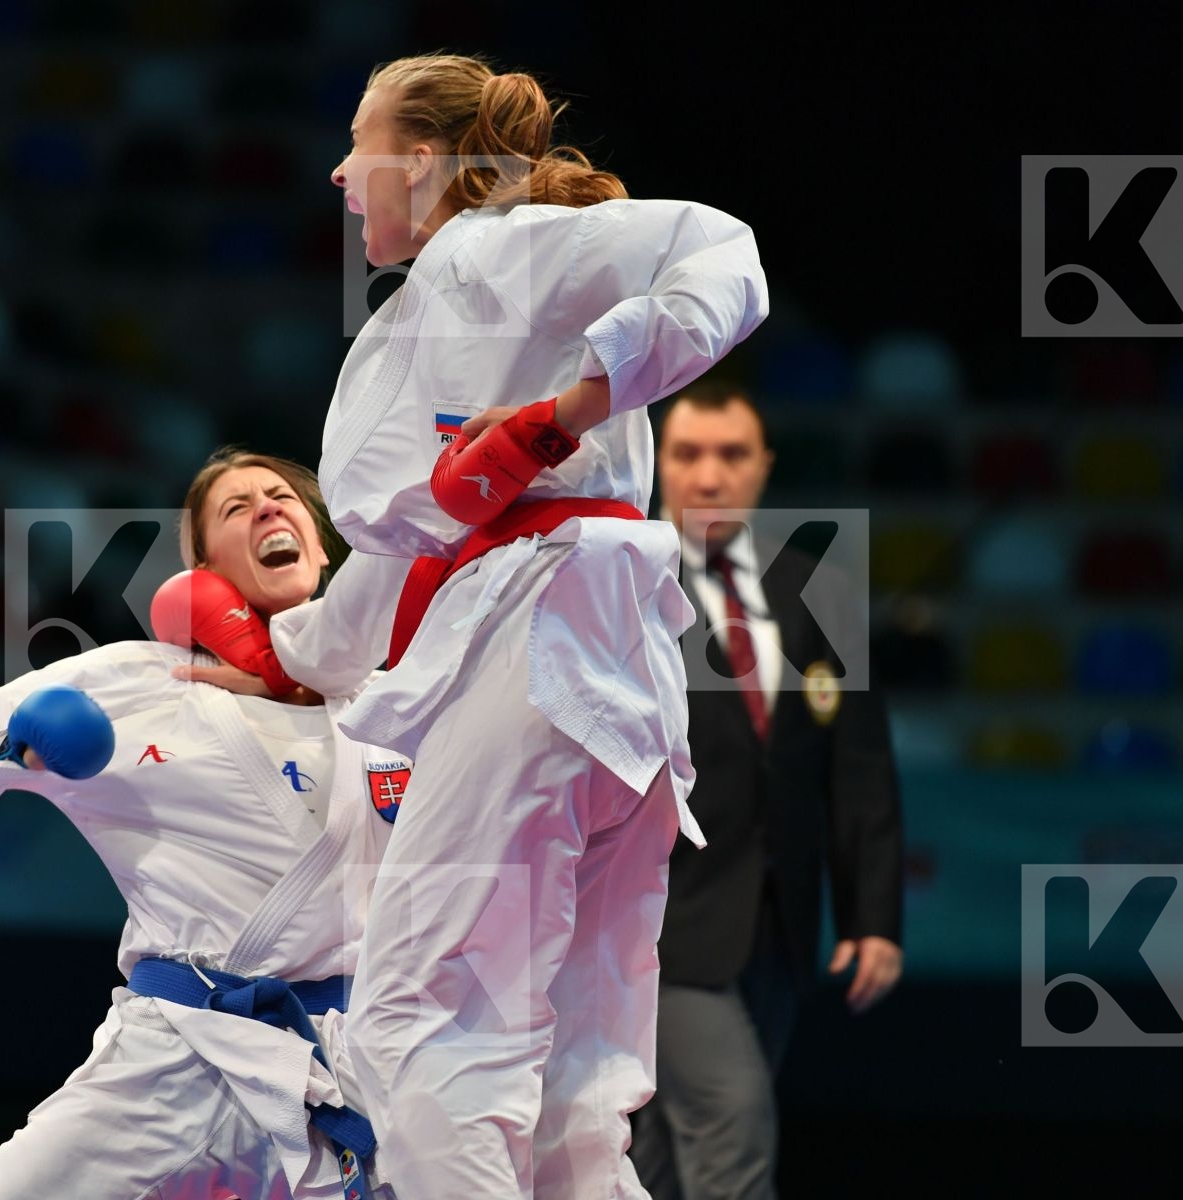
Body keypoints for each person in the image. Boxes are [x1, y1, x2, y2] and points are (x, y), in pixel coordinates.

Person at [181, 54, 768, 1199]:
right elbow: (404, 557)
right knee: (578, 1077)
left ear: (431, 162)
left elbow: (728, 255)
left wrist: (568, 409)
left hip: (542, 649)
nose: (342, 172)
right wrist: (273, 650)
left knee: (428, 1019)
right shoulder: (456, 287)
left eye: (363, 144)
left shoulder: (498, 246)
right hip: (603, 683)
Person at [0, 450, 407, 1200]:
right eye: (236, 509)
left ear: (322, 544)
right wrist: (18, 748)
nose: (267, 508)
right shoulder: (134, 679)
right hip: (177, 1057)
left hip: (357, 1064)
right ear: (200, 565)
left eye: (281, 497)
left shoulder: (391, 702)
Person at [630, 390, 904, 1200]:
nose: (709, 476)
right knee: (731, 1123)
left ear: (763, 466)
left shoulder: (821, 591)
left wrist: (872, 919)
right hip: (656, 924)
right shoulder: (624, 587)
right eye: (687, 455)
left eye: (732, 454)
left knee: (661, 1158)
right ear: (656, 464)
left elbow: (856, 766)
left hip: (778, 924)